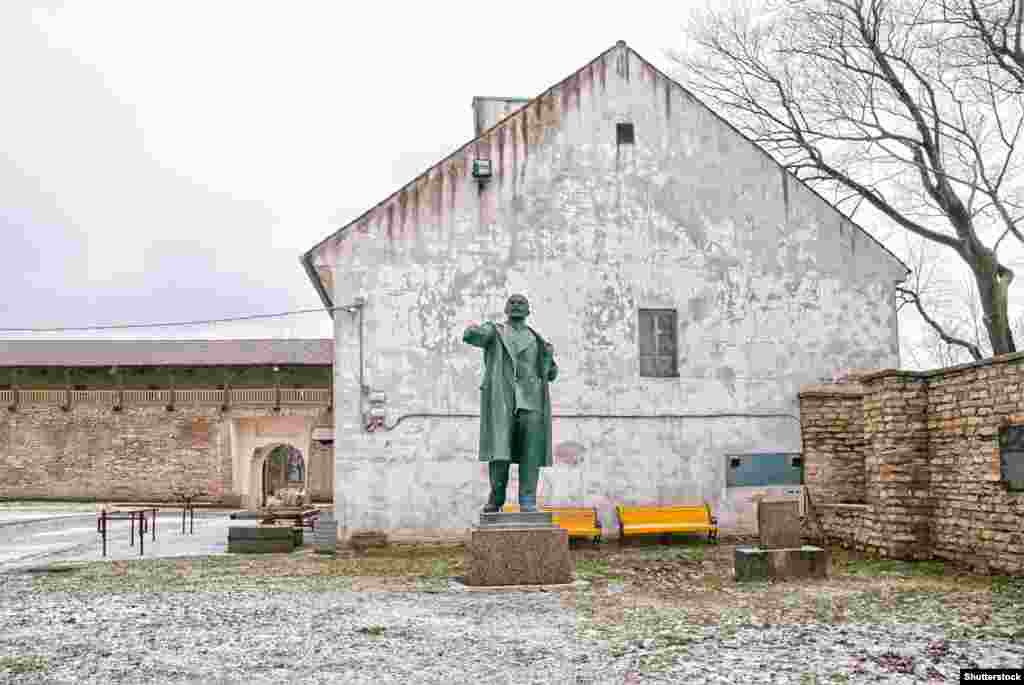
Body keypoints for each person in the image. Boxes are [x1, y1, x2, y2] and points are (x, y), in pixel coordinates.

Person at [463, 294, 558, 513]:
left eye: (521, 303)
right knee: (499, 452)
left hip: (531, 401)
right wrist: (472, 331)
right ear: (506, 308)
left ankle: (528, 501)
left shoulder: (537, 340)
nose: (516, 305)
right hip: (503, 400)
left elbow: (550, 373)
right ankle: (496, 499)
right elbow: (475, 336)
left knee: (530, 453)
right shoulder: (494, 331)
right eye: (512, 302)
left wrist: (549, 362)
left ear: (528, 310)